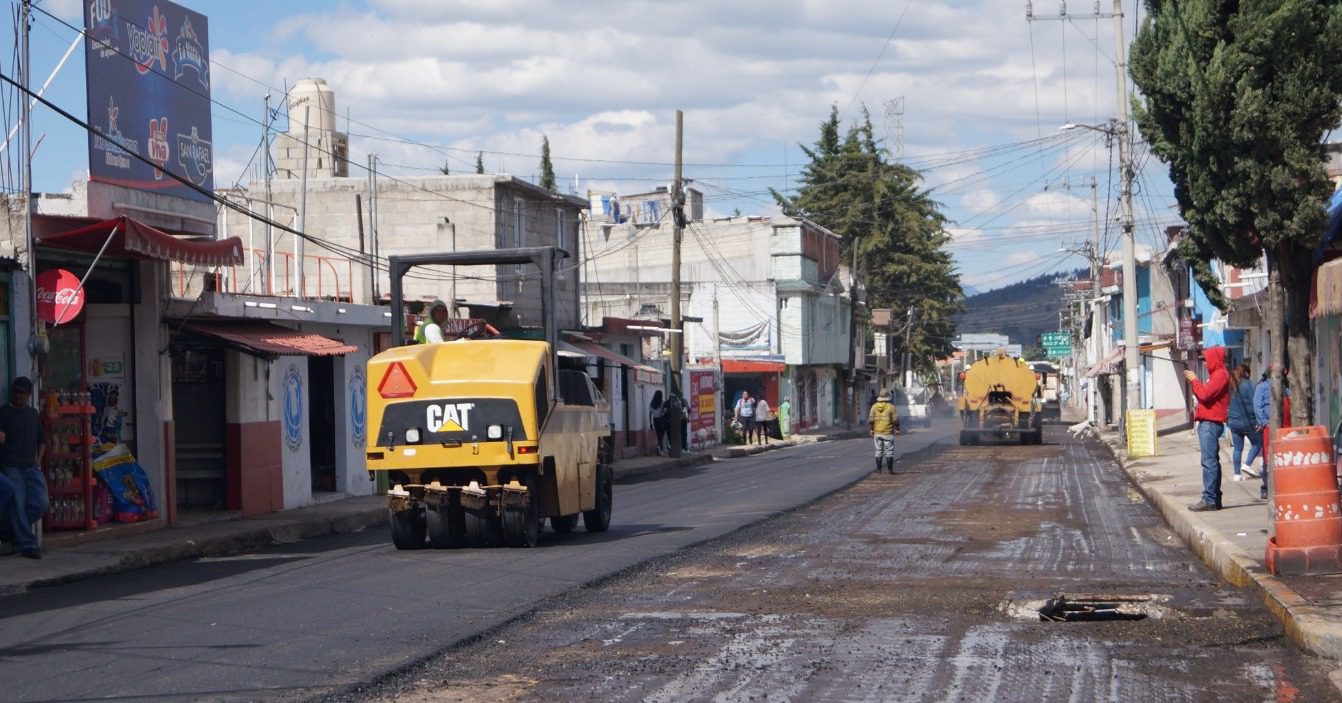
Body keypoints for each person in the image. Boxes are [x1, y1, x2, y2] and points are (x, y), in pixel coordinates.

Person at [0, 377, 47, 559]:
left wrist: (39, 458)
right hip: (10, 465)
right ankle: (27, 544)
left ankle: (9, 529)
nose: (18, 396)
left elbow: (42, 440)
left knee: (41, 502)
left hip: (31, 465)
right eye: (15, 392)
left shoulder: (33, 414)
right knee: (17, 500)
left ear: (28, 395)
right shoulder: (3, 412)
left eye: (21, 393)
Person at [1183, 347, 1230, 512]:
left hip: (1210, 423)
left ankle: (1209, 498)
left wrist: (1194, 380)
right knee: (1211, 461)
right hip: (1208, 423)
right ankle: (1214, 497)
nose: (1206, 362)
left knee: (1208, 462)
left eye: (1207, 359)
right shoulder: (1216, 376)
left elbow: (1204, 395)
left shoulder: (1220, 375)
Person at [1255, 366, 1292, 501]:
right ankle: (1266, 487)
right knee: (1268, 458)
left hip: (1286, 429)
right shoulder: (1263, 387)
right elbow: (1257, 406)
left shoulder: (1287, 389)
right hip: (1270, 429)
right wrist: (1265, 423)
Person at [1226, 361, 1263, 485]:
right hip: (1248, 420)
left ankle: (1237, 474)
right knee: (1258, 444)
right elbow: (1255, 403)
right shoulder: (1250, 385)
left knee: (1238, 448)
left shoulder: (1232, 384)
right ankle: (1247, 464)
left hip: (1233, 421)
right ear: (1246, 373)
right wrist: (1259, 420)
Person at [868, 390, 901, 474]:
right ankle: (890, 470)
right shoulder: (891, 407)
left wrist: (872, 430)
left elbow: (871, 420)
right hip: (888, 433)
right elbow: (896, 420)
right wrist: (897, 429)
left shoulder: (874, 407)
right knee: (889, 452)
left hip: (877, 432)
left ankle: (879, 470)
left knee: (878, 451)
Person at [649, 390, 667, 455]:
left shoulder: (652, 403)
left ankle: (659, 448)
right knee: (661, 435)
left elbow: (650, 414)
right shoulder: (662, 403)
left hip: (654, 420)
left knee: (658, 435)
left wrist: (650, 423)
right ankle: (659, 448)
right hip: (661, 420)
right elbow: (663, 412)